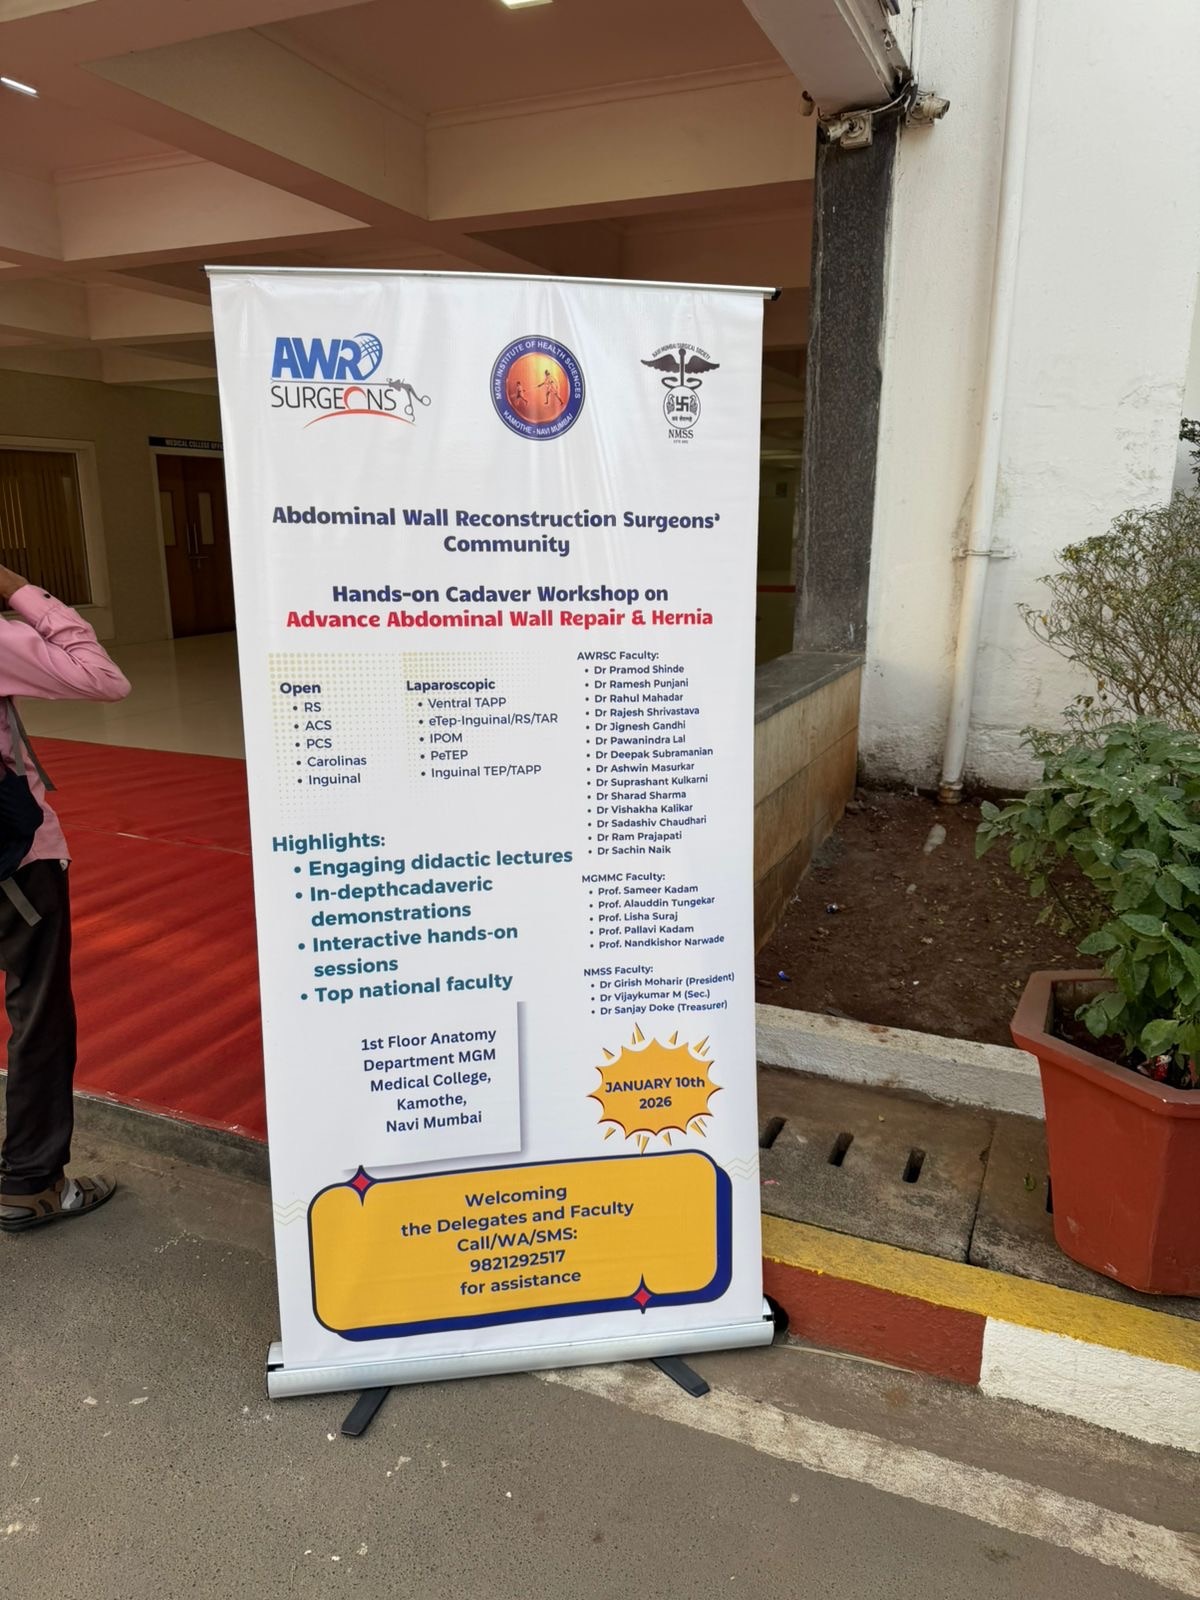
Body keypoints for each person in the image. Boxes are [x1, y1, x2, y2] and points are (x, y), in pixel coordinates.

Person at [0, 564, 131, 1232]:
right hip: (15, 865)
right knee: (39, 1013)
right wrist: (18, 590)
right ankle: (30, 1184)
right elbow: (102, 678)